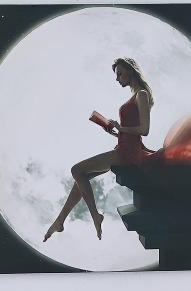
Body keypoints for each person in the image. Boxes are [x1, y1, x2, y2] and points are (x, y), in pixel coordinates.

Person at [43, 57, 154, 242]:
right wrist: (113, 131)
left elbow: (144, 130)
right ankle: (59, 221)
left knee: (76, 170)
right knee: (81, 177)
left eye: (120, 73)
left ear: (131, 70)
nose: (117, 78)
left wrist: (120, 127)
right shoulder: (135, 95)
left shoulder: (141, 94)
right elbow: (130, 134)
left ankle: (95, 215)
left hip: (129, 152)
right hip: (125, 147)